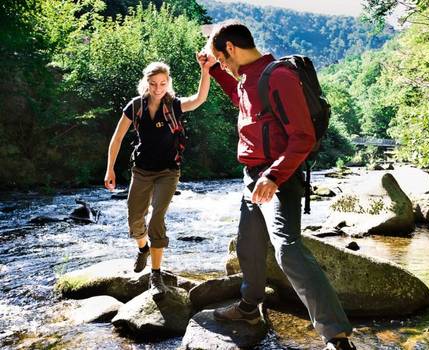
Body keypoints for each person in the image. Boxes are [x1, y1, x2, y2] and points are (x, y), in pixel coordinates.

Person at [205, 22, 356, 350]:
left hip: (280, 177)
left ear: (231, 48)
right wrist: (215, 72)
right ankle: (248, 308)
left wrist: (273, 176)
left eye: (222, 58)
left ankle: (337, 336)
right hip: (251, 177)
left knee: (287, 248)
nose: (223, 65)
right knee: (248, 243)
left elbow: (304, 137)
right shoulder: (246, 79)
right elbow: (240, 100)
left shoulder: (279, 76)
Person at [104, 55, 214, 293]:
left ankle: (156, 275)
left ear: (168, 83)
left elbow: (199, 99)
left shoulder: (174, 105)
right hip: (142, 170)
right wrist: (110, 168)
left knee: (156, 219)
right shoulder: (135, 106)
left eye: (162, 83)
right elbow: (117, 138)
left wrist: (205, 71)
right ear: (146, 83)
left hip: (168, 171)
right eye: (153, 83)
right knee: (135, 220)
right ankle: (142, 248)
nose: (158, 88)